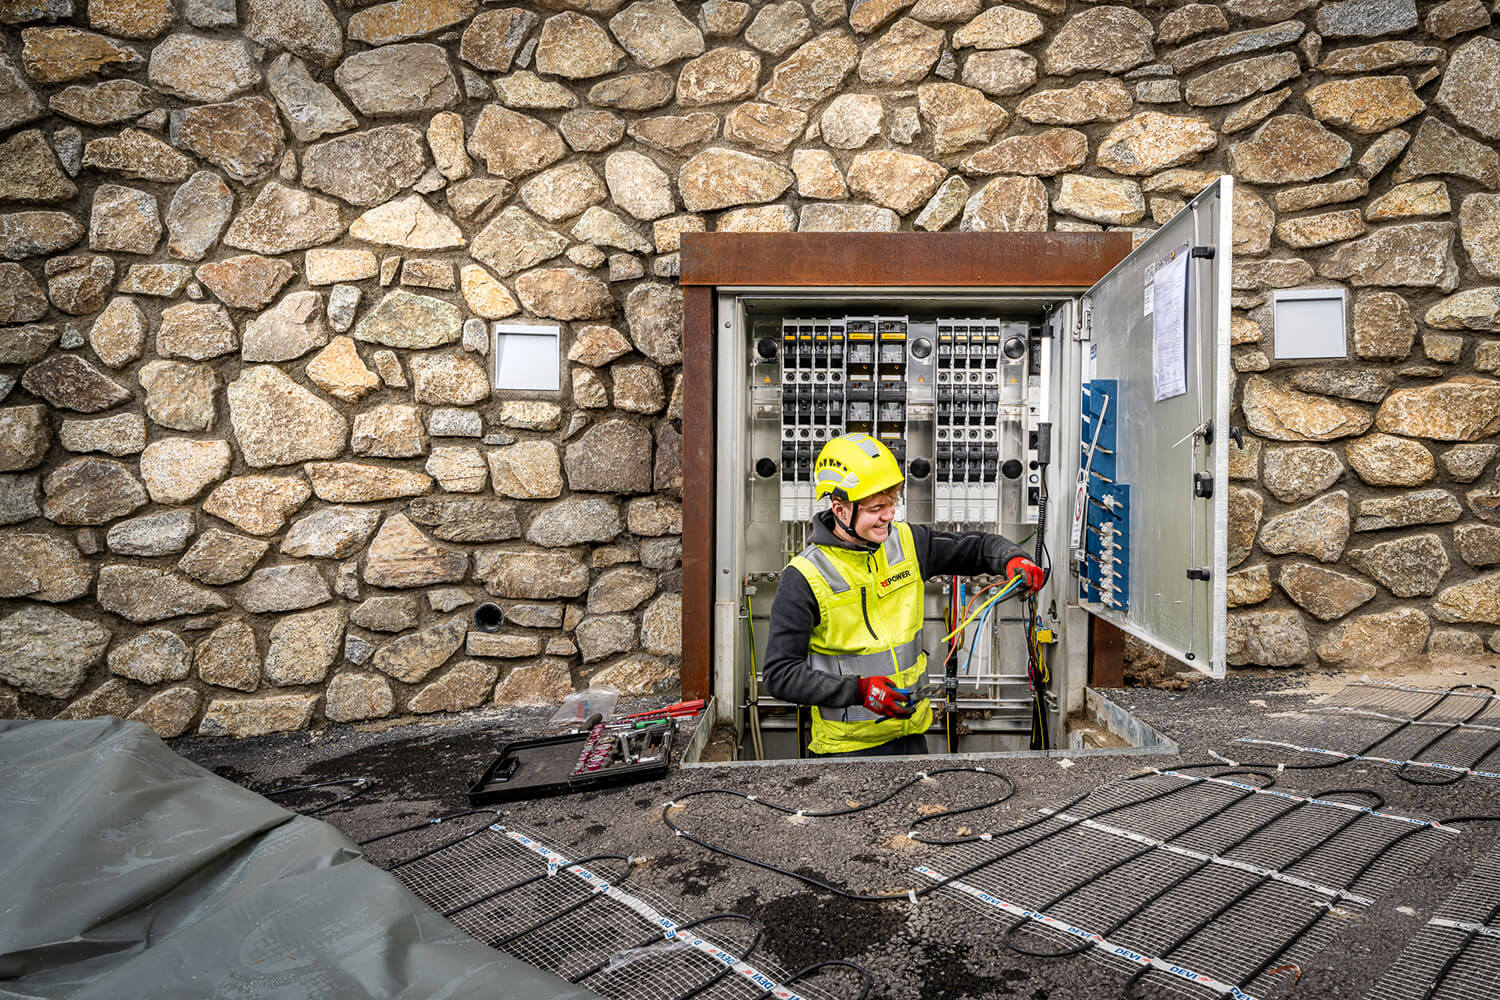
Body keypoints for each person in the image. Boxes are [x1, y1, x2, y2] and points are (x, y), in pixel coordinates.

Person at [761, 433, 1045, 757]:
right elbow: (780, 674)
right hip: (843, 753)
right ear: (840, 509)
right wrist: (858, 691)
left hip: (911, 739)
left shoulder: (908, 543)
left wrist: (1011, 558)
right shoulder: (804, 577)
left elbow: (978, 547)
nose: (889, 516)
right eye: (876, 507)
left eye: (892, 503)